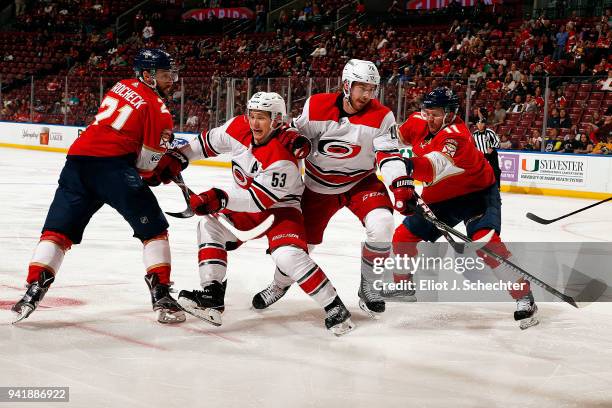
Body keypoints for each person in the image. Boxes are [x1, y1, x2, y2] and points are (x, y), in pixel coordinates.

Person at [11, 49, 186, 325]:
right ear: (148, 76)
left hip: (77, 163)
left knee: (57, 232)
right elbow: (146, 166)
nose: (171, 80)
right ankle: (162, 295)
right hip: (113, 168)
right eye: (165, 75)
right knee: (154, 230)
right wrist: (158, 171)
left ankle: (34, 288)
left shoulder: (121, 86)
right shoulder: (159, 109)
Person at [160, 92, 355, 336]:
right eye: (252, 116)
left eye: (261, 117)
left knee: (288, 257)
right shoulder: (237, 127)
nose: (254, 123)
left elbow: (257, 200)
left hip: (281, 210)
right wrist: (180, 157)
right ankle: (212, 295)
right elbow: (206, 142)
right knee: (209, 226)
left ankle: (334, 307)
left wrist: (219, 197)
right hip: (246, 203)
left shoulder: (283, 159)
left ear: (276, 120)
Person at [250, 59, 412, 318]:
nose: (367, 94)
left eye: (372, 89)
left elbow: (388, 154)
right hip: (318, 188)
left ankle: (369, 285)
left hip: (361, 183)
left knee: (382, 223)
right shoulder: (317, 105)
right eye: (362, 88)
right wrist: (290, 148)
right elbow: (291, 136)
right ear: (346, 85)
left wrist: (400, 185)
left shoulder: (383, 115)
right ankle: (279, 285)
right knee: (300, 248)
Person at [393, 87, 539, 329]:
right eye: (427, 112)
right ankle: (403, 286)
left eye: (436, 114)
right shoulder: (418, 120)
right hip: (441, 198)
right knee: (402, 237)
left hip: (476, 194)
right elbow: (391, 137)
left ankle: (524, 297)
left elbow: (431, 167)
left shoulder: (456, 135)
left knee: (486, 243)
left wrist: (400, 166)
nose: (429, 118)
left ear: (451, 114)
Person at [472, 117, 501, 187]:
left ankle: (497, 186)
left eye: (482, 123)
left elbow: (497, 141)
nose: (480, 125)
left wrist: (492, 148)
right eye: (478, 123)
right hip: (481, 155)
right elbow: (472, 144)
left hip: (491, 154)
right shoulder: (474, 134)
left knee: (495, 170)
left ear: (484, 124)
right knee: (478, 171)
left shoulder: (490, 132)